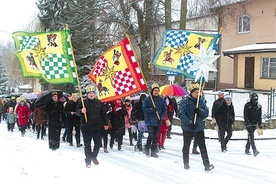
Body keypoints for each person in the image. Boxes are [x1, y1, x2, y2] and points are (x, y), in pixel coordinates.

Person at [178, 84, 214, 172]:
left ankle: (206, 164)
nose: (197, 94)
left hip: (199, 127)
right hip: (188, 128)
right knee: (186, 145)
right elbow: (181, 114)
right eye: (195, 92)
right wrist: (189, 123)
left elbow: (206, 113)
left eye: (199, 92)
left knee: (202, 146)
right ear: (191, 93)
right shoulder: (185, 101)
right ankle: (186, 162)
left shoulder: (201, 102)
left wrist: (200, 111)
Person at [76, 86, 108, 168]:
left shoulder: (98, 102)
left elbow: (103, 114)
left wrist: (106, 123)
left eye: (93, 93)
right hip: (86, 127)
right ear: (87, 94)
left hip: (97, 127)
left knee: (97, 144)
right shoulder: (83, 102)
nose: (91, 94)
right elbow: (77, 112)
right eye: (90, 93)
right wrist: (81, 111)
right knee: (87, 144)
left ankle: (94, 156)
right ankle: (88, 160)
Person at [142, 84, 167, 158]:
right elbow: (144, 109)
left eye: (157, 90)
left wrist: (162, 117)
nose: (156, 92)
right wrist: (151, 110)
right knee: (151, 135)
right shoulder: (147, 99)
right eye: (155, 90)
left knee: (156, 136)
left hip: (158, 121)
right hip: (150, 120)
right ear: (152, 91)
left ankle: (153, 150)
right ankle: (147, 147)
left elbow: (165, 110)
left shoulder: (161, 100)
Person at [243, 92, 262, 156]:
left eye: (256, 98)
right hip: (249, 123)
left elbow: (259, 116)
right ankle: (254, 150)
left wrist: (260, 124)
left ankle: (247, 149)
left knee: (250, 137)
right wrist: (247, 123)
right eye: (254, 98)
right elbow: (245, 115)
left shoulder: (259, 106)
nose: (255, 100)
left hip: (254, 123)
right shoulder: (247, 105)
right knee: (251, 136)